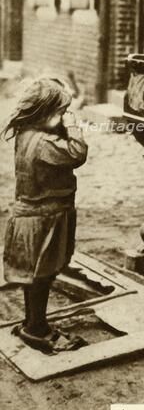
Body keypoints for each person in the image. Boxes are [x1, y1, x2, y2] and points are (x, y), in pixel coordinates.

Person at [1, 77, 88, 353]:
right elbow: (77, 153)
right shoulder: (44, 144)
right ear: (44, 112)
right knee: (43, 275)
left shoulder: (28, 134)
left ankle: (32, 323)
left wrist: (59, 123)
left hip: (35, 215)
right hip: (45, 217)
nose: (64, 117)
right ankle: (36, 329)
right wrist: (73, 127)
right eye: (60, 112)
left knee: (37, 275)